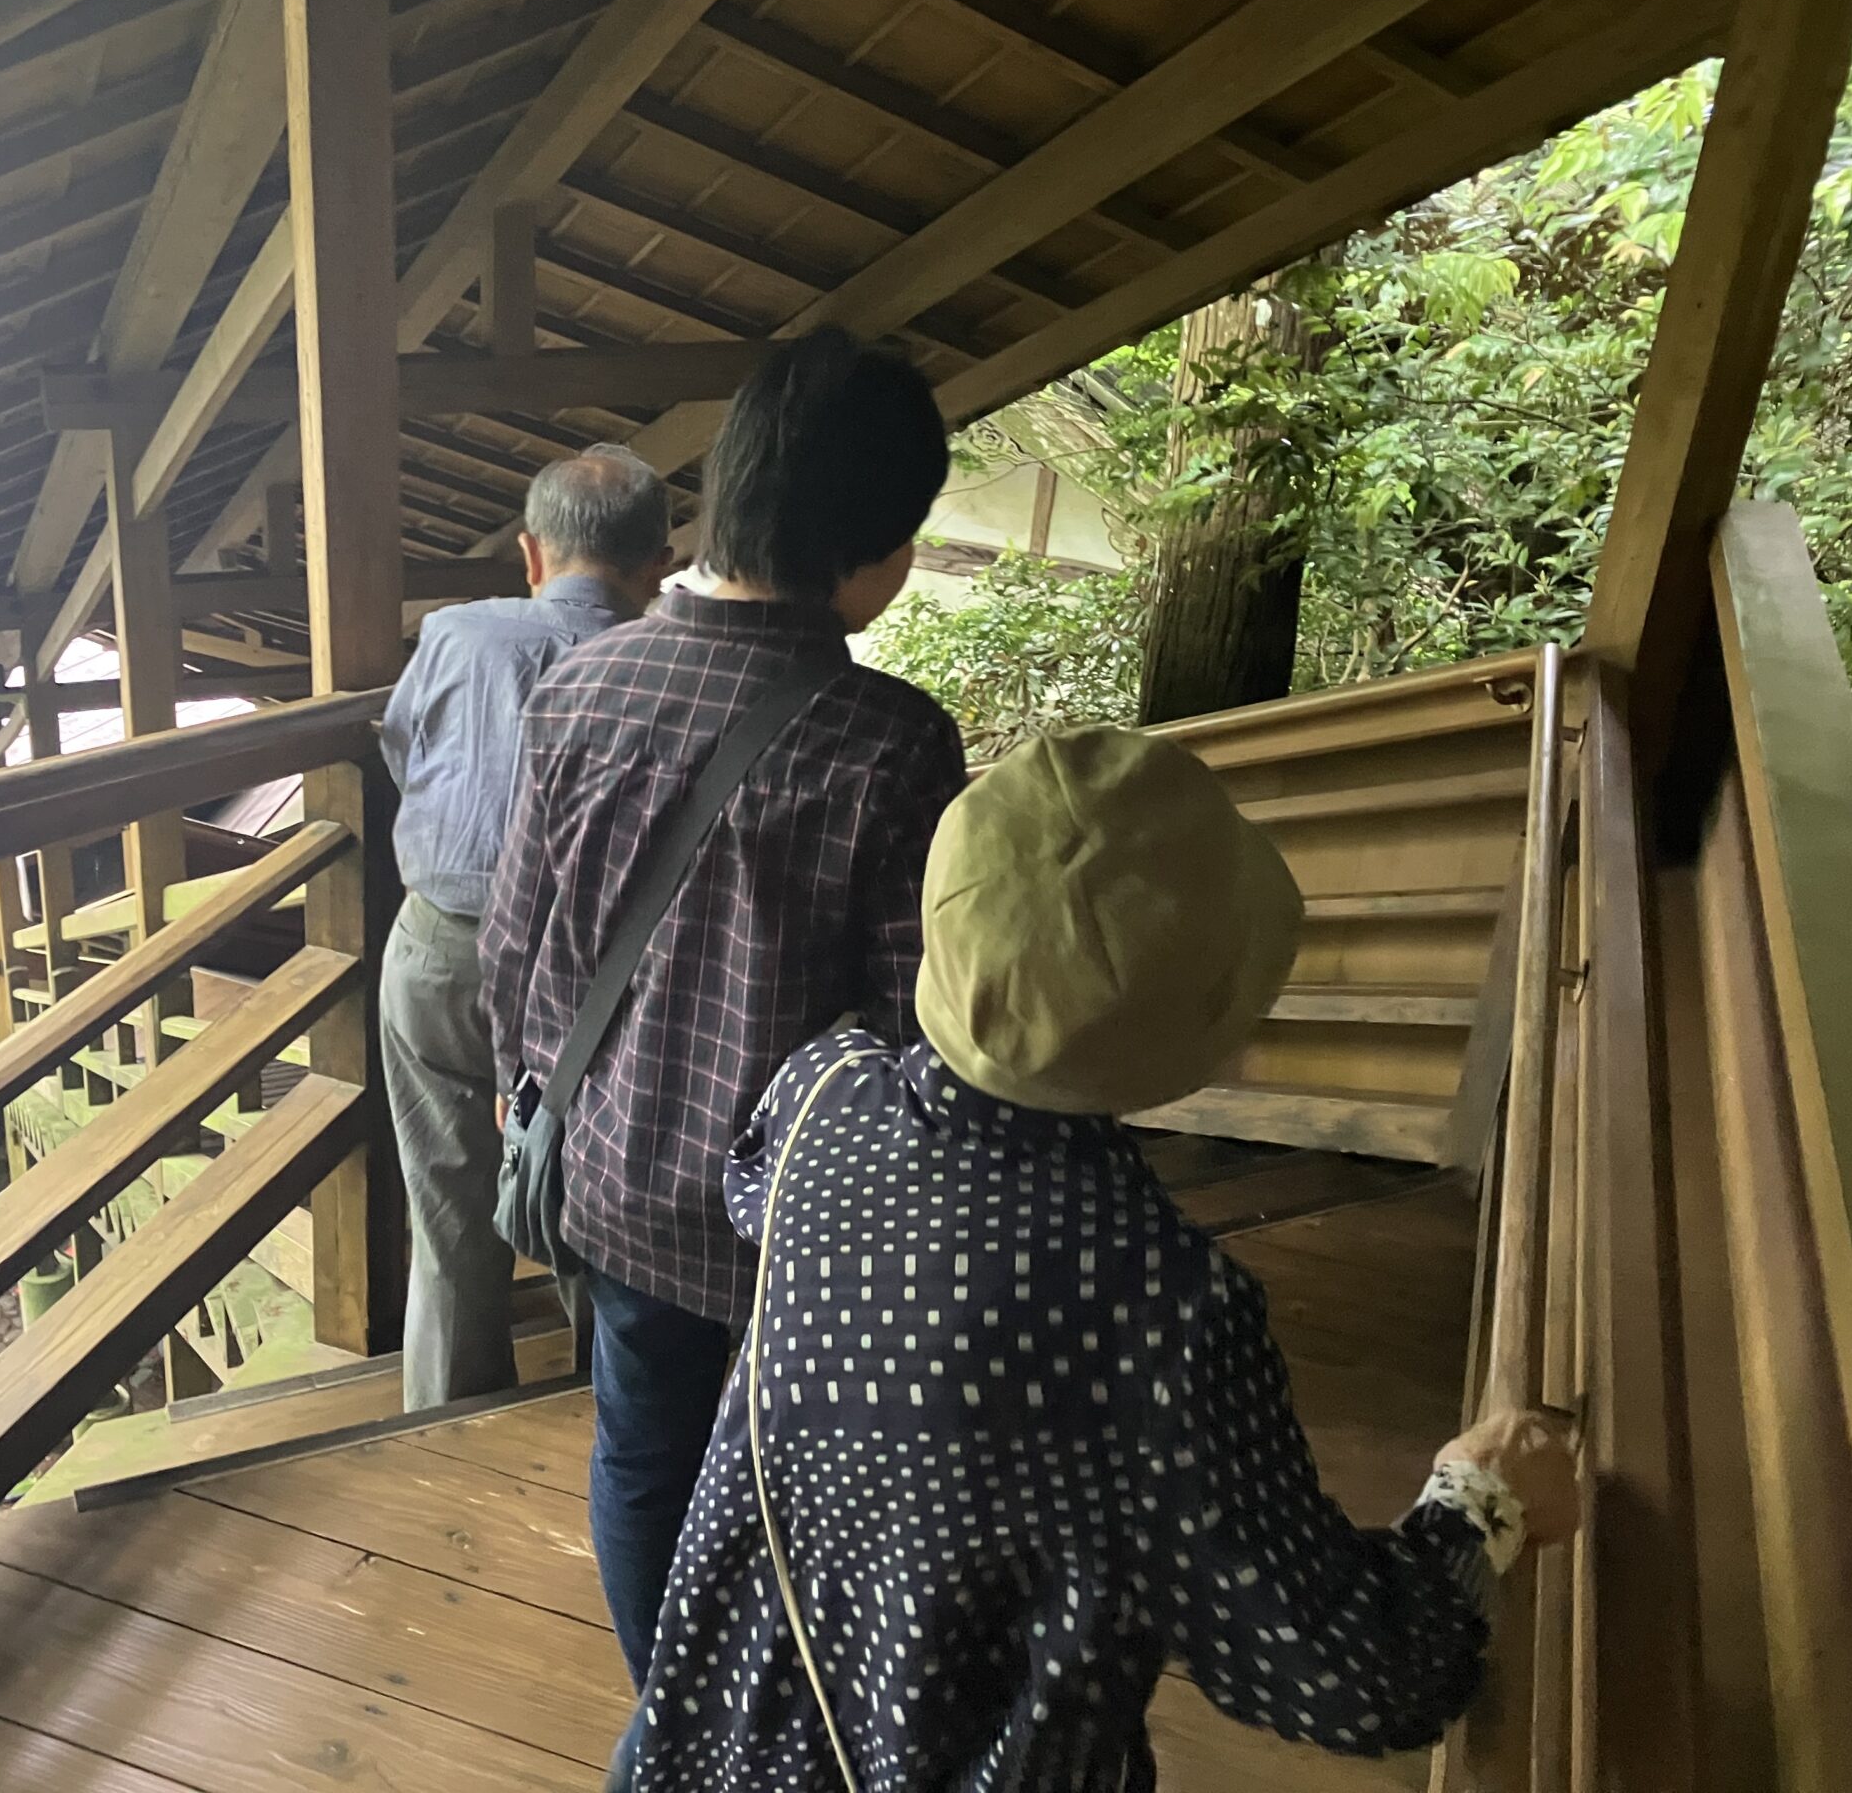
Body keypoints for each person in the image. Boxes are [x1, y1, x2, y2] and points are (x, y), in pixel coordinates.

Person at [609, 727, 1582, 1791]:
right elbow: (1352, 1674)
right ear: (1208, 1021)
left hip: (701, 1750)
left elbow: (755, 1201)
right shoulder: (1159, 1310)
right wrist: (1483, 1496)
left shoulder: (819, 1100)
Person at [480, 327, 970, 1686]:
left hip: (619, 1182)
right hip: (797, 1223)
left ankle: (673, 1708)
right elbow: (911, 1027)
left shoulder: (578, 686)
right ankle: (773, 1713)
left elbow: (515, 952)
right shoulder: (893, 741)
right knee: (792, 1476)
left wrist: (538, 1101)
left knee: (641, 1454)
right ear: (869, 546)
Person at [376, 445, 672, 1412]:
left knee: (448, 1212)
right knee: (593, 1191)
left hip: (438, 943)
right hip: (595, 974)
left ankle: (447, 1423)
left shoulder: (457, 634)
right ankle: (605, 1404)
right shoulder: (667, 659)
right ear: (655, 563)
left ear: (532, 554)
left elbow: (399, 747)